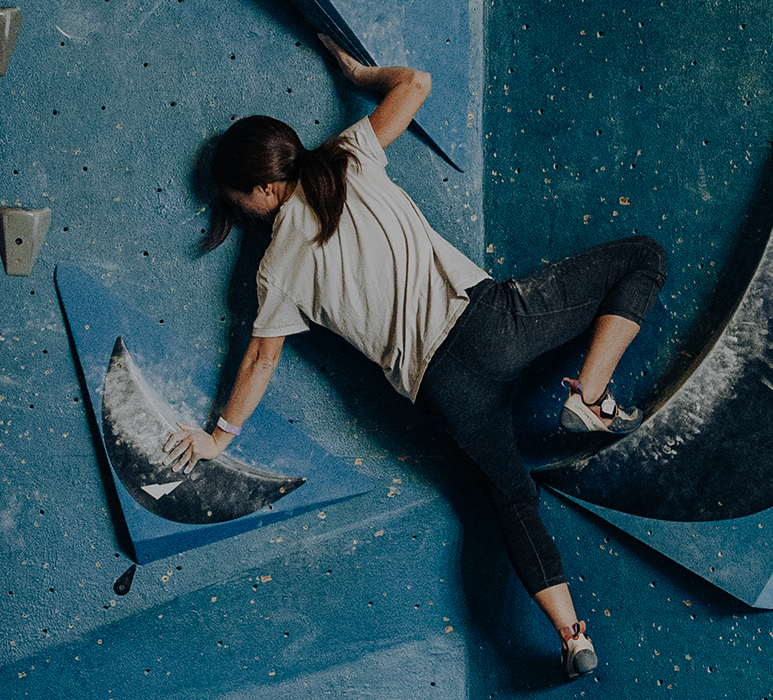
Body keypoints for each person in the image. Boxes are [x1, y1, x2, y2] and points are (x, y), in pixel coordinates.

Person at [163, 35, 667, 680]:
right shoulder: (349, 156)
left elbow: (262, 357)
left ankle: (571, 636)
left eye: (239, 201)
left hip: (441, 388)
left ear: (264, 188)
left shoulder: (276, 267)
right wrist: (357, 71)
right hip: (488, 324)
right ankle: (590, 397)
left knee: (512, 499)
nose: (241, 212)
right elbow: (417, 84)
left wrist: (216, 437)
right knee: (642, 257)